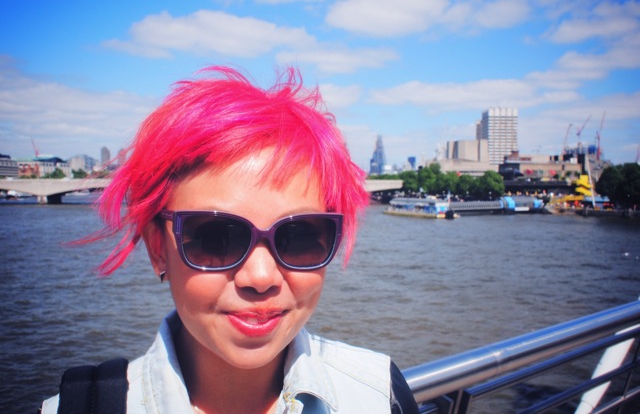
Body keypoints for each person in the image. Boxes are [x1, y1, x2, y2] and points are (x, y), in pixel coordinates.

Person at [41, 66, 419, 413]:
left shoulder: (380, 394)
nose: (260, 277)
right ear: (158, 248)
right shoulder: (78, 407)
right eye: (215, 237)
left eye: (300, 237)